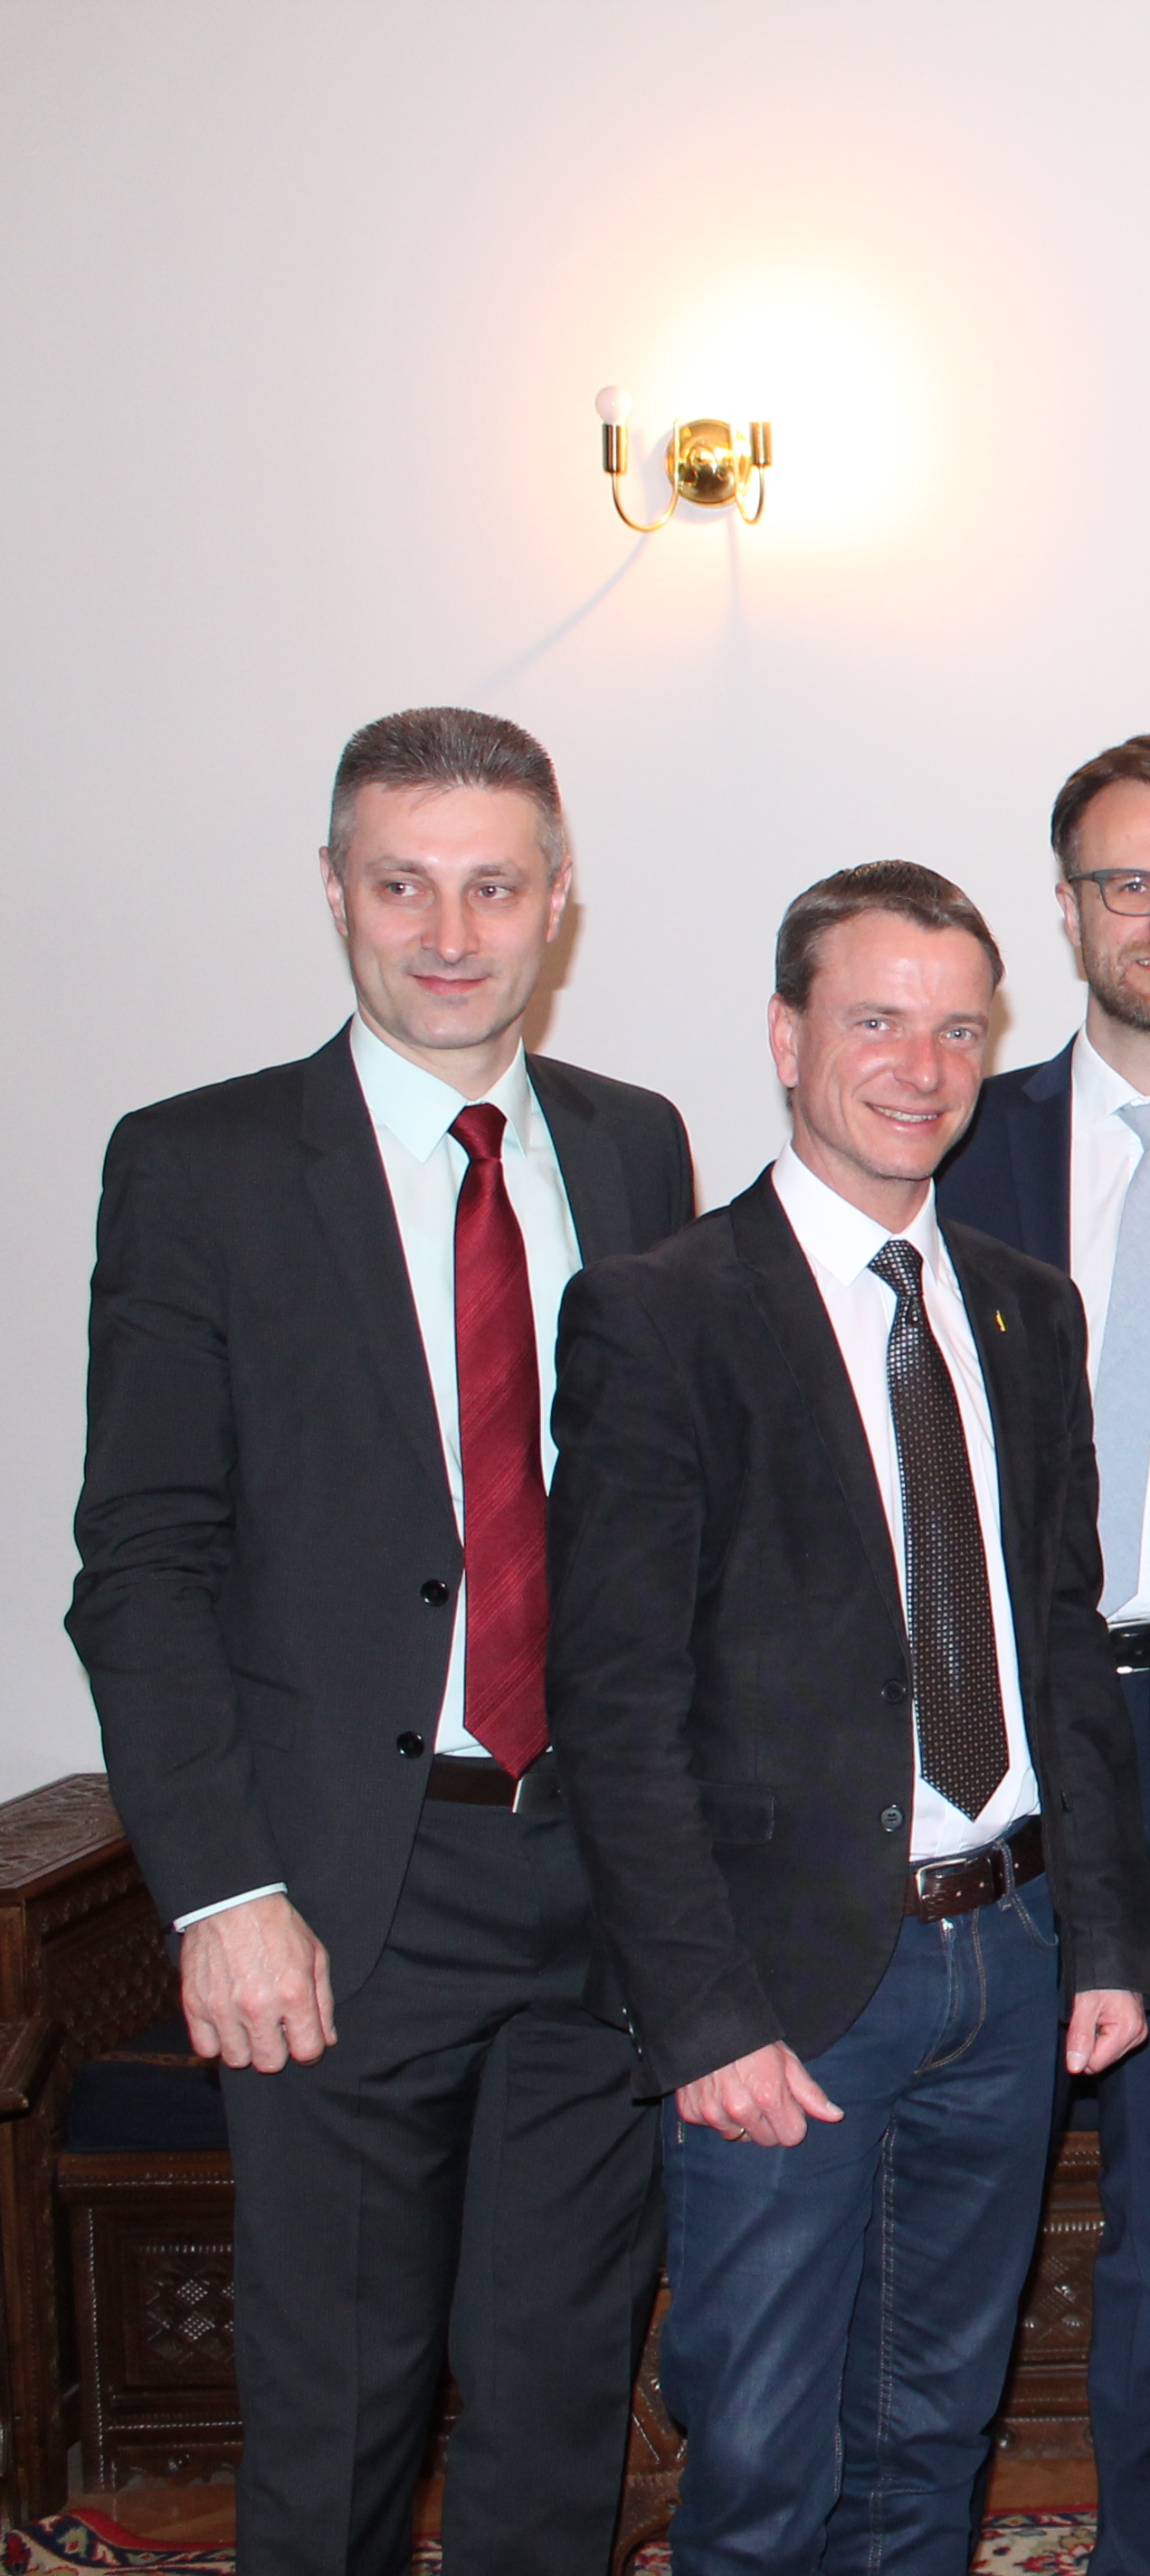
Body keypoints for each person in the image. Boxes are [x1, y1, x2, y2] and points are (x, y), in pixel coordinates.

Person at [69, 708, 689, 2576]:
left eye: (492, 883)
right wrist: (219, 1886)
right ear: (334, 888)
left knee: (558, 2397)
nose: (448, 928)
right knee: (336, 2409)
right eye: (402, 880)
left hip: (596, 1881)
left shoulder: (635, 1148)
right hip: (344, 1892)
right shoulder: (202, 1165)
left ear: (558, 901)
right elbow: (144, 1556)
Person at [547, 865, 1150, 2571]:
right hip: (789, 1998)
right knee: (759, 2457)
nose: (922, 1062)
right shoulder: (664, 1313)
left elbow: (1059, 1641)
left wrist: (1102, 1937)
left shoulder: (1028, 1310)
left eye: (961, 1026)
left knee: (934, 2437)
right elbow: (613, 1703)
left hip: (1011, 1952)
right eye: (877, 1018)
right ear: (786, 1034)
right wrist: (704, 2021)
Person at [933, 733, 1150, 2576]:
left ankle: (1144, 2551)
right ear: (1064, 904)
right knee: (958, 2202)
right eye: (1134, 881)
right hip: (987, 1750)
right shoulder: (943, 1135)